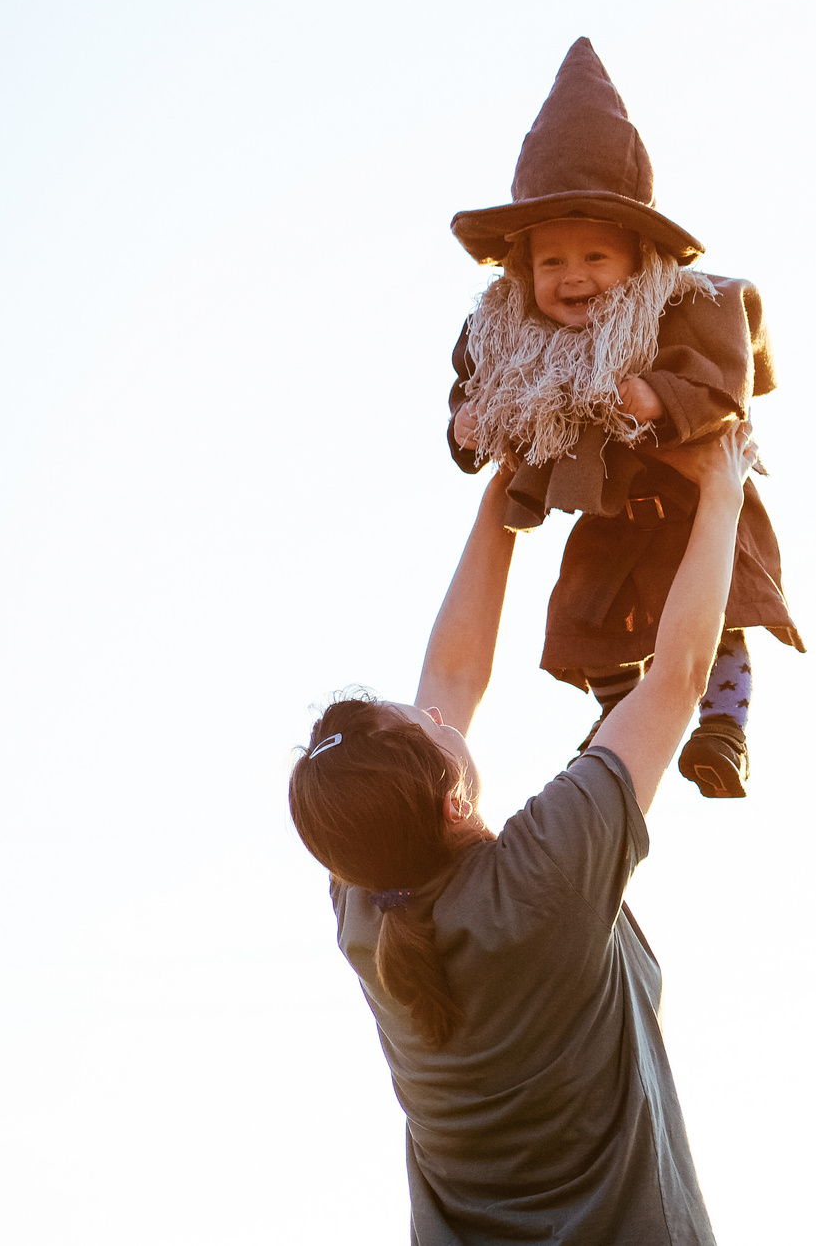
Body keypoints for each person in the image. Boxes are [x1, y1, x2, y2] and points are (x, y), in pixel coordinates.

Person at [288, 421, 757, 1244]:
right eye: (426, 723)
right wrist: (722, 487)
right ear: (451, 803)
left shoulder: (368, 908)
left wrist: (508, 492)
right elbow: (680, 678)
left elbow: (454, 675)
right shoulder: (542, 879)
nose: (433, 707)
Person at [445, 37, 803, 797]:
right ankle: (619, 716)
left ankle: (721, 728)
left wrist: (655, 399)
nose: (573, 277)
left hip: (696, 502)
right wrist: (466, 426)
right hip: (608, 509)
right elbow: (475, 383)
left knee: (718, 613)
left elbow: (724, 380)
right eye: (551, 262)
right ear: (521, 268)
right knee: (588, 621)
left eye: (595, 258)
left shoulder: (681, 309)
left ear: (639, 258)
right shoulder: (510, 335)